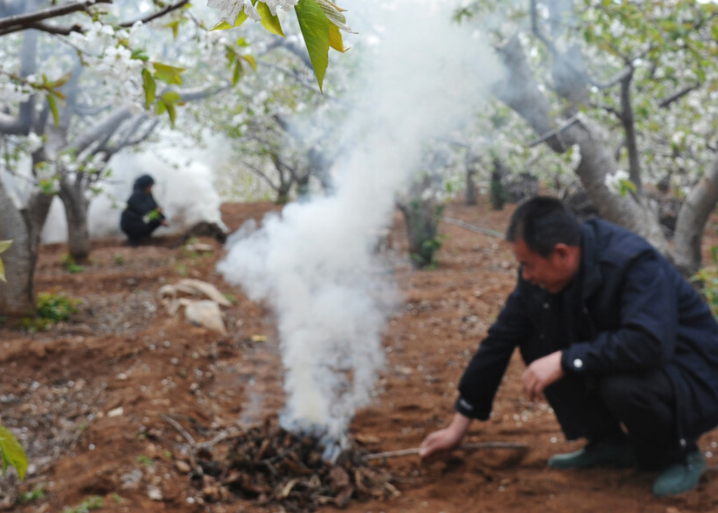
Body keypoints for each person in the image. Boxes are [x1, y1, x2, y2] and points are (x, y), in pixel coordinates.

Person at [419, 196, 718, 497]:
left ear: (561, 254)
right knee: (539, 343)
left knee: (619, 383)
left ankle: (679, 454)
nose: (525, 275)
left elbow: (648, 344)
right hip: (641, 362)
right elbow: (500, 339)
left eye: (528, 265)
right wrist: (459, 425)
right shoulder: (539, 279)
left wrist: (566, 360)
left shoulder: (631, 262)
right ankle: (609, 443)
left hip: (692, 374)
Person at [120, 174, 168, 246]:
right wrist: (157, 214)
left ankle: (144, 237)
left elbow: (154, 207)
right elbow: (145, 214)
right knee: (151, 221)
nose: (151, 188)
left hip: (141, 220)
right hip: (131, 224)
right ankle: (134, 239)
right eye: (150, 186)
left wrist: (162, 218)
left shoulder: (148, 195)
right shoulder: (136, 196)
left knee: (157, 220)